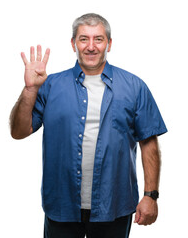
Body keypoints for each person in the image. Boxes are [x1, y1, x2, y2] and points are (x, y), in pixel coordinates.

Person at [10, 13, 167, 238]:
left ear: (109, 44)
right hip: (62, 205)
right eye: (84, 39)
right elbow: (18, 132)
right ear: (73, 43)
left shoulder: (134, 87)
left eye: (98, 39)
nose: (91, 46)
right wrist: (30, 90)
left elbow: (149, 141)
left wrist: (150, 195)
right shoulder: (50, 85)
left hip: (114, 205)